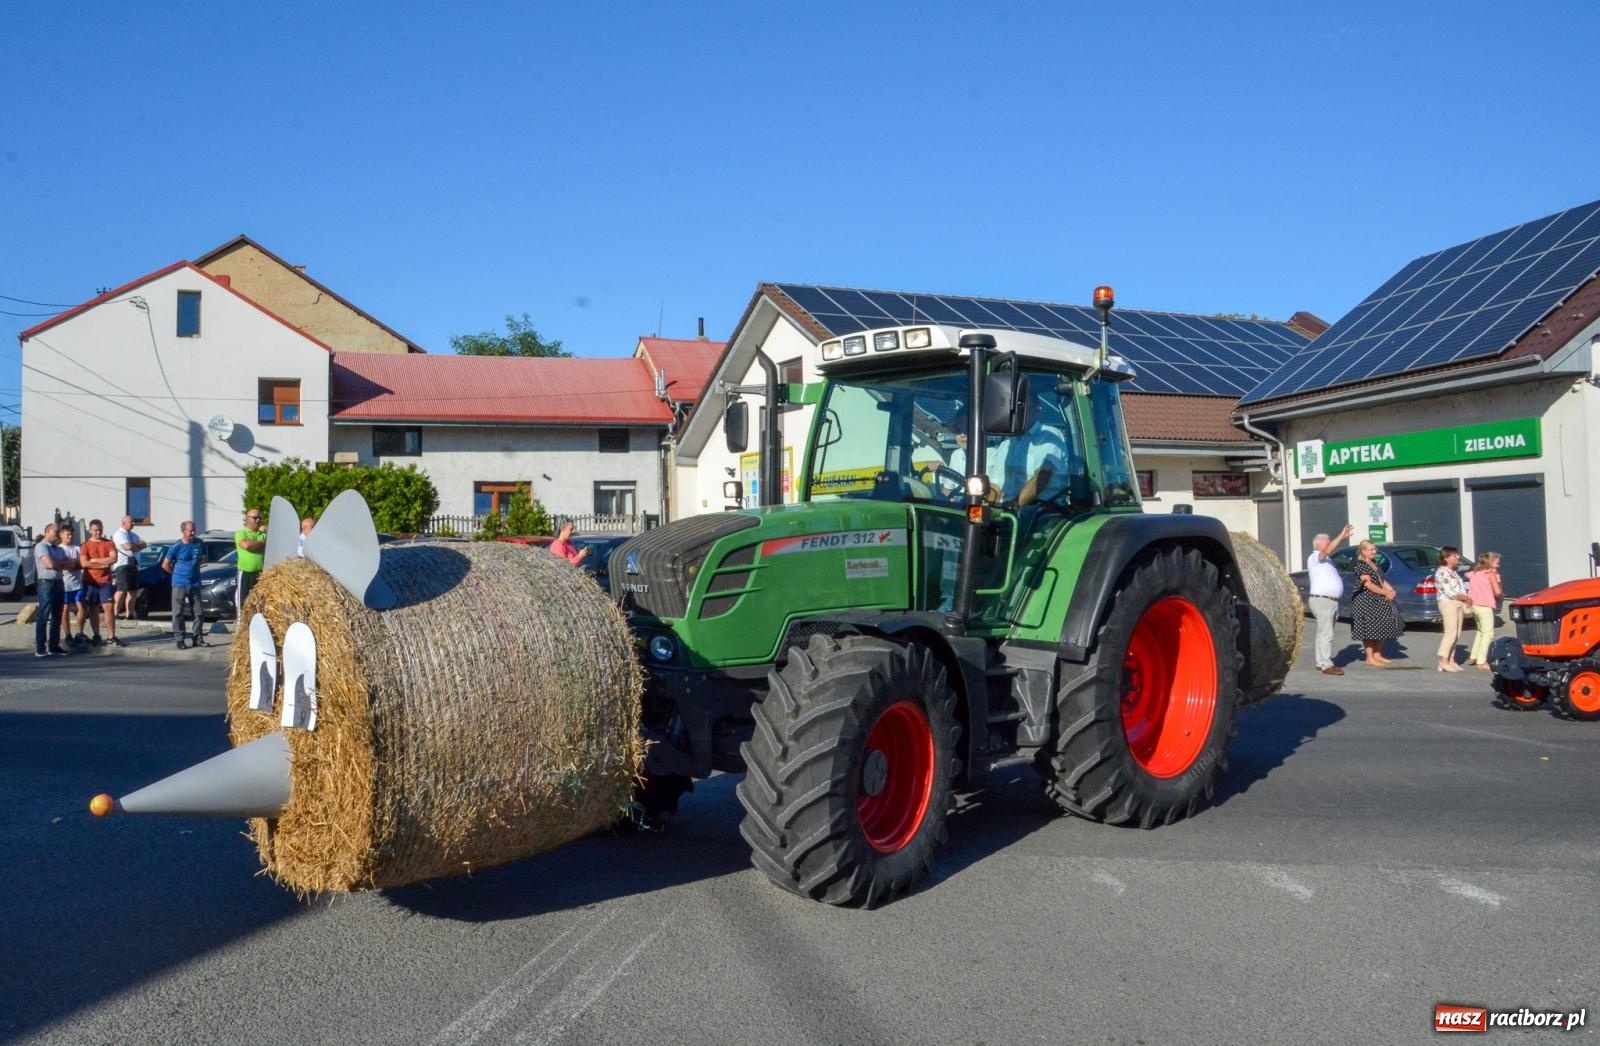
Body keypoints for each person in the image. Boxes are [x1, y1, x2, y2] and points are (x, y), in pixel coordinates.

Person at [1305, 524, 1354, 676]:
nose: (1331, 545)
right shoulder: (1315, 557)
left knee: (1323, 632)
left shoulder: (1327, 561)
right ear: (1319, 545)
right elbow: (1326, 551)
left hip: (1329, 601)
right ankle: (1325, 664)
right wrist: (1341, 537)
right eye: (1328, 542)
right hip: (1323, 601)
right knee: (1326, 633)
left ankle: (1322, 662)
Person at [1350, 540, 1401, 665]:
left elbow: (1381, 580)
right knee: (1370, 629)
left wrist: (1391, 590)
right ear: (1363, 551)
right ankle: (1370, 658)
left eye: (1375, 549)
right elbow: (1368, 584)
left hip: (1379, 599)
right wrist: (1385, 593)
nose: (1374, 551)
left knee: (1382, 627)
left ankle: (1377, 655)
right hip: (1366, 601)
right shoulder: (1360, 564)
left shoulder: (1374, 563)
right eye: (1371, 549)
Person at [163, 520, 207, 649]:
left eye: (194, 530)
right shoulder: (176, 546)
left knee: (198, 612)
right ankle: (180, 639)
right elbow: (165, 565)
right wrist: (176, 573)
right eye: (190, 531)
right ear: (183, 531)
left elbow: (203, 559)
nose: (193, 533)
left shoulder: (199, 543)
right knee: (178, 613)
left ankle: (197, 638)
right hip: (179, 583)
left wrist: (194, 569)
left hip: (194, 583)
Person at [79, 518, 121, 647]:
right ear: (90, 530)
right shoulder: (85, 545)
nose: (98, 533)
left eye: (100, 530)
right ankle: (96, 635)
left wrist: (95, 560)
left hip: (105, 581)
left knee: (108, 607)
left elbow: (113, 558)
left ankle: (111, 636)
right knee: (93, 608)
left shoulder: (109, 543)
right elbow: (84, 563)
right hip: (90, 581)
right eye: (96, 530)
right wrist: (102, 564)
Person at [1433, 546, 1472, 672]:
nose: (1458, 557)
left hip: (1458, 603)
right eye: (1454, 555)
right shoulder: (1442, 572)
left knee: (1457, 633)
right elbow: (1449, 592)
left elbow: (1461, 588)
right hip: (1448, 603)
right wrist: (1465, 598)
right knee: (1450, 632)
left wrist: (1466, 598)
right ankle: (1443, 660)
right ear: (1446, 558)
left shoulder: (1453, 572)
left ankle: (1451, 659)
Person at [33, 523, 67, 658]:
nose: (57, 535)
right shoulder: (41, 546)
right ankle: (40, 647)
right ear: (47, 532)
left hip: (59, 582)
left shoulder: (58, 549)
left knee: (57, 616)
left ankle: (54, 646)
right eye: (55, 532)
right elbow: (49, 564)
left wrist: (57, 564)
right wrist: (57, 564)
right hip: (46, 583)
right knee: (44, 614)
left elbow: (68, 563)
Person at [1465, 552, 1504, 670]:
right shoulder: (1490, 573)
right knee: (1488, 633)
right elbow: (1498, 592)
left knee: (1480, 630)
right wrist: (1499, 581)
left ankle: (1474, 656)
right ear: (1490, 562)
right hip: (1485, 605)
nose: (1498, 566)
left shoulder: (1475, 573)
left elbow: (1467, 575)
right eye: (1497, 563)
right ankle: (1481, 661)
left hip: (1474, 605)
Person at [56, 522, 86, 647]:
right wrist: (71, 564)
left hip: (78, 583)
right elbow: (64, 565)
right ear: (61, 535)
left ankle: (80, 632)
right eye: (68, 534)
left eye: (71, 535)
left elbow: (82, 563)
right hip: (65, 584)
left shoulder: (77, 548)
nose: (70, 537)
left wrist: (74, 564)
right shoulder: (59, 549)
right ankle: (68, 634)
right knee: (66, 608)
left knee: (82, 607)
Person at [111, 514, 146, 620]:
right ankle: (115, 613)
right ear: (124, 523)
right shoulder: (119, 534)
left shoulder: (133, 535)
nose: (133, 524)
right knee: (121, 589)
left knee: (133, 591)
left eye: (133, 521)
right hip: (123, 565)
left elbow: (144, 544)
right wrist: (136, 546)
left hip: (134, 565)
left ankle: (129, 614)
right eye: (131, 522)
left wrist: (135, 546)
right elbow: (127, 547)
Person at [235, 508, 267, 612]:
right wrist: (261, 543)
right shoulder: (241, 533)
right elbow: (247, 545)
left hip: (259, 573)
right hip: (245, 573)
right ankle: (242, 621)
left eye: (259, 518)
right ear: (247, 519)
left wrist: (255, 543)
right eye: (255, 518)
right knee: (243, 602)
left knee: (259, 602)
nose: (258, 520)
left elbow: (270, 542)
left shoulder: (262, 534)